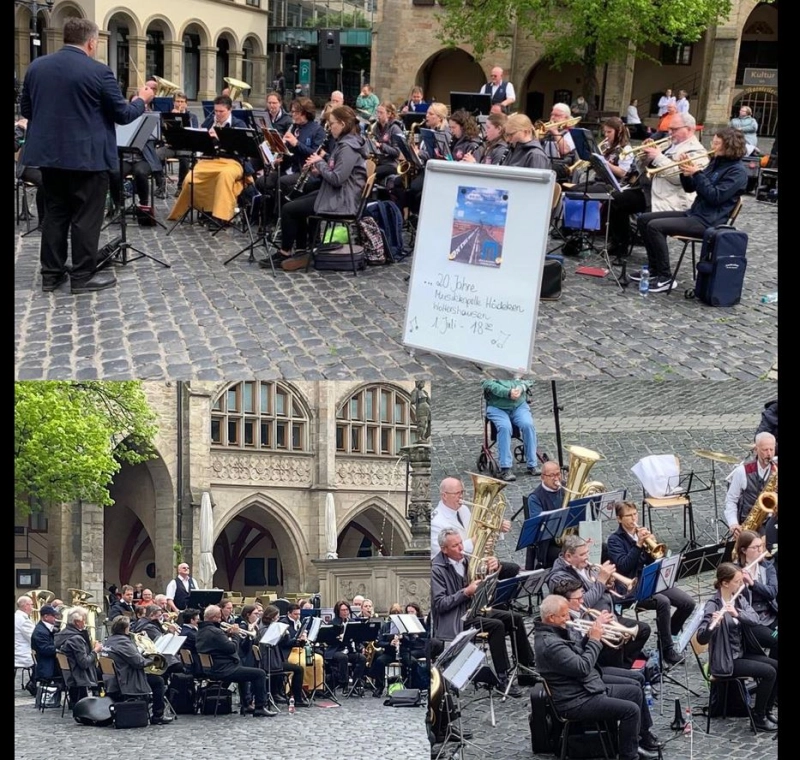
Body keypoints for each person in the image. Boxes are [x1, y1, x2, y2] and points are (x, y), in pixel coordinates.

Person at [19, 17, 154, 294]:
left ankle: (51, 275)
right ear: (91, 42)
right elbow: (123, 114)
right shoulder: (98, 72)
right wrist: (142, 100)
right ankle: (82, 276)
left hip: (50, 158)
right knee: (85, 217)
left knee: (55, 214)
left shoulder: (36, 67)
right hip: (87, 159)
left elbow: (27, 110)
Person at [534, 595, 658, 760]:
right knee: (631, 710)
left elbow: (578, 653)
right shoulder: (551, 644)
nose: (568, 618)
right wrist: (595, 639)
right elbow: (583, 667)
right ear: (551, 618)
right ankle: (629, 756)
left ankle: (638, 741)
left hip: (583, 686)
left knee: (635, 689)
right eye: (564, 615)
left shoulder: (556, 632)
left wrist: (590, 634)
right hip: (576, 699)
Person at [629, 126, 747, 292]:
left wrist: (697, 174)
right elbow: (691, 189)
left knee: (655, 227)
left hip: (709, 222)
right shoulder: (715, 162)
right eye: (713, 141)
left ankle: (665, 277)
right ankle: (654, 269)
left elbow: (715, 197)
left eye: (717, 143)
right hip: (694, 213)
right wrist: (686, 174)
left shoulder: (737, 172)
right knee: (644, 219)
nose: (713, 145)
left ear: (730, 146)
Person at [431, 528, 534, 697]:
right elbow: (440, 604)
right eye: (455, 546)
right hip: (455, 619)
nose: (461, 548)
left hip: (473, 610)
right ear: (444, 549)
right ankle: (501, 678)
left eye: (461, 543)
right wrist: (466, 592)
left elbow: (486, 580)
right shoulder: (437, 569)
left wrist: (494, 567)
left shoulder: (466, 560)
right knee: (496, 626)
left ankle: (525, 668)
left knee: (514, 618)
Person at [271, 105, 367, 272]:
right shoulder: (343, 143)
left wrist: (319, 163)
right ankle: (301, 249)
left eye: (332, 124)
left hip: (342, 201)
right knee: (295, 202)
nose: (330, 128)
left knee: (288, 209)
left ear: (342, 124)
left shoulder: (348, 147)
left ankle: (285, 252)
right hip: (335, 193)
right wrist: (318, 170)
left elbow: (337, 179)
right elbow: (334, 172)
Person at [606, 111, 707, 261]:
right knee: (616, 199)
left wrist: (658, 157)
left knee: (648, 219)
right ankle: (619, 244)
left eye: (674, 129)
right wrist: (644, 157)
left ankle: (656, 262)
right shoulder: (668, 144)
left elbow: (678, 179)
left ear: (690, 129)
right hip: (650, 191)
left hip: (672, 197)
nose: (670, 133)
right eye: (669, 129)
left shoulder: (697, 151)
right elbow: (643, 170)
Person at [606, 501, 696, 665]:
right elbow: (624, 566)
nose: (634, 518)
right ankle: (667, 650)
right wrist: (639, 545)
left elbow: (651, 561)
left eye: (635, 514)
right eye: (629, 515)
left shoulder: (640, 533)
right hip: (630, 587)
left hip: (649, 579)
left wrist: (651, 549)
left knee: (687, 603)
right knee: (663, 602)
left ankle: (666, 638)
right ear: (619, 519)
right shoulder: (614, 540)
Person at [695, 563, 777, 731]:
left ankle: (767, 711)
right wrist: (713, 626)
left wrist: (737, 614)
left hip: (741, 653)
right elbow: (701, 638)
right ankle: (758, 716)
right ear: (725, 583)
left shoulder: (738, 598)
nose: (741, 585)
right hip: (726, 660)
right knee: (769, 673)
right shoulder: (713, 605)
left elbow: (755, 619)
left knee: (776, 665)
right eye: (737, 581)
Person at [547, 535, 650, 668]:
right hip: (588, 624)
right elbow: (580, 604)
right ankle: (618, 672)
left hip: (608, 616)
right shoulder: (559, 577)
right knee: (617, 640)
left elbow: (601, 590)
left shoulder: (583, 565)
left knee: (643, 630)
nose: (587, 557)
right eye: (583, 554)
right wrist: (601, 581)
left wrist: (608, 584)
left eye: (587, 552)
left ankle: (625, 668)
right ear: (568, 556)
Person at [167, 95, 250, 227]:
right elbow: (198, 137)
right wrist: (204, 137)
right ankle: (204, 209)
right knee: (190, 179)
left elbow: (242, 149)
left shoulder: (238, 124)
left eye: (221, 111)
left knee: (224, 176)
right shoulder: (210, 121)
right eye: (215, 111)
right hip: (210, 159)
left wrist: (220, 138)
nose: (217, 114)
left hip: (232, 161)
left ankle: (221, 216)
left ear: (229, 110)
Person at [196, 605, 275, 717]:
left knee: (243, 670)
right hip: (223, 669)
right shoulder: (215, 632)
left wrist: (227, 634)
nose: (221, 620)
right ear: (214, 618)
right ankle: (260, 707)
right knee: (260, 674)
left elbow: (219, 645)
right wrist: (236, 634)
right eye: (219, 617)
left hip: (213, 668)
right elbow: (232, 648)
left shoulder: (202, 630)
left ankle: (246, 704)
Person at [101, 615, 173, 724]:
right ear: (125, 628)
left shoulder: (109, 641)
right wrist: (153, 660)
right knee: (158, 681)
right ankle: (158, 716)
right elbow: (139, 663)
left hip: (113, 679)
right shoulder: (124, 643)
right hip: (127, 679)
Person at [431, 475, 512, 557]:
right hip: (454, 567)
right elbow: (441, 555)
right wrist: (472, 543)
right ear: (444, 496)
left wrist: (497, 527)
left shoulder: (463, 509)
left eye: (462, 492)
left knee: (512, 568)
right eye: (457, 493)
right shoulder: (436, 523)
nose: (461, 496)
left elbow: (478, 530)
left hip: (471, 559)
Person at [481, 379, 540, 481]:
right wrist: (508, 392)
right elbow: (487, 383)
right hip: (497, 407)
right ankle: (505, 467)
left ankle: (532, 464)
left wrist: (521, 387)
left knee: (528, 425)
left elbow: (529, 379)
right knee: (505, 427)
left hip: (519, 406)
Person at [733, 531, 778, 659]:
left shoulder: (767, 567)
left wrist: (753, 584)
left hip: (770, 616)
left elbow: (772, 592)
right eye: (755, 547)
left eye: (761, 546)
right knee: (776, 639)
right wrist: (739, 583)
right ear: (744, 550)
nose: (760, 550)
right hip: (752, 621)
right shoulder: (735, 570)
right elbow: (732, 598)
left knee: (776, 635)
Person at [724, 431, 777, 539]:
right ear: (756, 450)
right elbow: (731, 500)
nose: (769, 454)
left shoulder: (776, 470)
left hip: (772, 522)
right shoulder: (742, 471)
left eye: (771, 449)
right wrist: (733, 524)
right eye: (765, 450)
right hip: (749, 524)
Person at [54, 606, 103, 706]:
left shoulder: (63, 634)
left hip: (69, 673)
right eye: (84, 620)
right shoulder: (76, 638)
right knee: (103, 672)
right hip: (78, 675)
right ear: (77, 622)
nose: (85, 622)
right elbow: (84, 663)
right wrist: (95, 651)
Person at [523, 459, 565, 570]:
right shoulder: (535, 498)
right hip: (548, 545)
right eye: (552, 475)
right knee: (570, 557)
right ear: (543, 477)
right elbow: (539, 526)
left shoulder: (566, 488)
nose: (556, 478)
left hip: (569, 539)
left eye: (558, 474)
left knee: (599, 548)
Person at [280, 604, 322, 698]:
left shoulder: (301, 622)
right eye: (295, 614)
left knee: (318, 659)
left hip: (300, 649)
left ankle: (315, 687)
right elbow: (285, 643)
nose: (298, 616)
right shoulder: (284, 623)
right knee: (302, 663)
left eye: (299, 614)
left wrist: (305, 638)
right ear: (289, 613)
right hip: (289, 651)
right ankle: (300, 688)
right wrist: (298, 639)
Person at [325, 600, 368, 690]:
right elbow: (328, 641)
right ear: (338, 612)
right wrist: (338, 638)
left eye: (347, 610)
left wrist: (361, 646)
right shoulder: (332, 623)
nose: (345, 612)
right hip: (336, 650)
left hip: (348, 649)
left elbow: (357, 638)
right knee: (343, 657)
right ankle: (344, 683)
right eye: (342, 610)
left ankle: (356, 682)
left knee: (362, 658)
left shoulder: (352, 622)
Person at [14, 117, 46, 224]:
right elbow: (15, 145)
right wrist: (23, 129)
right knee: (45, 181)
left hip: (47, 166)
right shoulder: (26, 123)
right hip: (28, 167)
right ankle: (43, 221)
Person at [369, 101, 405, 184]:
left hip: (391, 164)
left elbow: (396, 152)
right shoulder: (376, 127)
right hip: (380, 162)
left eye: (381, 113)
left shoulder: (395, 128)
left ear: (389, 114)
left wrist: (381, 146)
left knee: (371, 172)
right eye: (377, 112)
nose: (378, 115)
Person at [31, 604, 60, 685]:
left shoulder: (46, 628)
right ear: (46, 617)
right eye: (53, 616)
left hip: (50, 664)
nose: (56, 618)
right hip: (47, 667)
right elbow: (45, 649)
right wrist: (60, 647)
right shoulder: (40, 631)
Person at [15, 595, 36, 681]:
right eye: (32, 605)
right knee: (43, 662)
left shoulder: (16, 616)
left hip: (18, 652)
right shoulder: (23, 620)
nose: (33, 607)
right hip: (23, 654)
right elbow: (33, 638)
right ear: (26, 606)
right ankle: (32, 685)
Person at [178, 608, 203, 676]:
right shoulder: (192, 634)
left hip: (188, 664)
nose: (199, 621)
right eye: (198, 620)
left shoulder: (182, 630)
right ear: (192, 620)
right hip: (198, 665)